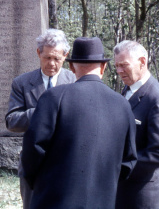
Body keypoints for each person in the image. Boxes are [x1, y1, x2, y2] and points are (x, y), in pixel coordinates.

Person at [21, 37, 137, 209]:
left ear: (72, 66)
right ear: (103, 67)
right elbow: (129, 160)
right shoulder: (122, 105)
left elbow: (33, 150)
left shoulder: (53, 98)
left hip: (54, 200)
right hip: (102, 201)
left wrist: (37, 184)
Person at [5, 28, 75, 208]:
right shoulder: (22, 83)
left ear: (65, 56)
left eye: (57, 58)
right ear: (38, 53)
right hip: (33, 164)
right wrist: (44, 111)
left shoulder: (75, 82)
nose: (51, 63)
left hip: (67, 163)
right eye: (47, 58)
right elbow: (12, 121)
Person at [114, 40, 159, 209]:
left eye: (124, 65)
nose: (119, 71)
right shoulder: (127, 90)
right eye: (117, 66)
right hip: (125, 191)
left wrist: (121, 166)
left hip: (146, 194)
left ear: (142, 62)